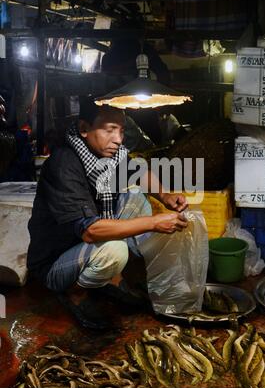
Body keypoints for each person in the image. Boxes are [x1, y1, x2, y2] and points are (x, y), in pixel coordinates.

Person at [27, 96, 188, 330]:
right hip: (55, 261)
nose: (118, 139)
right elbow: (91, 231)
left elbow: (138, 172)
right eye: (110, 130)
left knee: (134, 197)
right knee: (115, 249)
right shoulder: (64, 165)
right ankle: (76, 293)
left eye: (121, 131)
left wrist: (166, 196)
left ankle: (113, 278)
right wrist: (153, 222)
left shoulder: (108, 154)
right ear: (84, 129)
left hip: (85, 243)